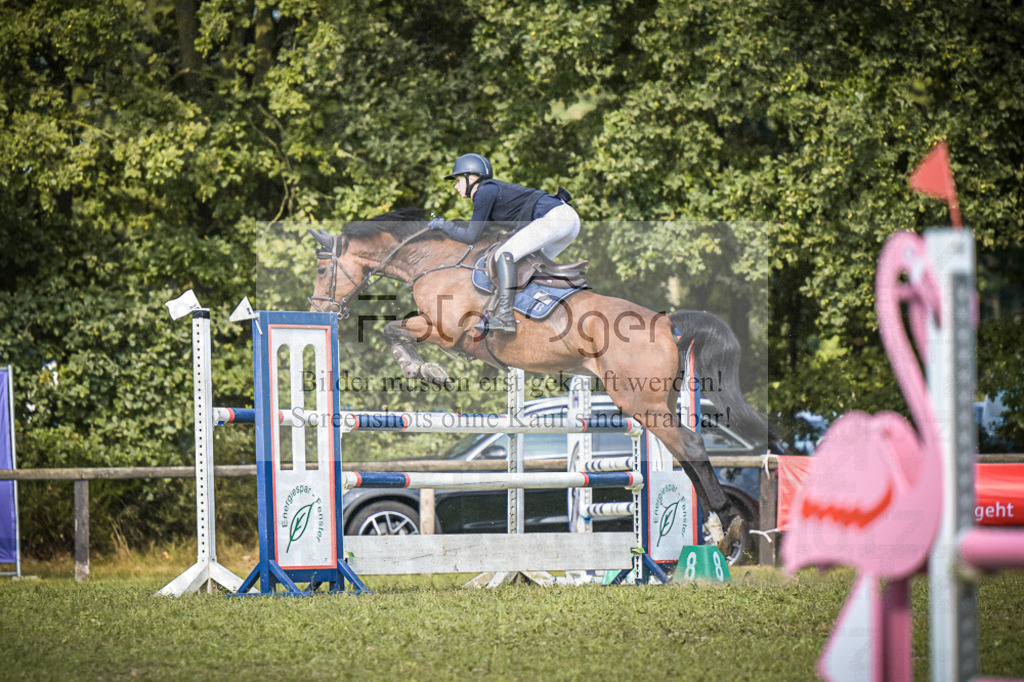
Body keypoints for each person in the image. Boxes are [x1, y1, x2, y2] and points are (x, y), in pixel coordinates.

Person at [428, 153, 580, 335]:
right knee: (528, 264)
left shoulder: (483, 191)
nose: (456, 186)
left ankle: (505, 316)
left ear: (472, 177)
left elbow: (470, 236)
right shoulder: (492, 192)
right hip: (568, 220)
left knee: (504, 255)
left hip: (556, 218)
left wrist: (444, 225)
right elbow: (485, 232)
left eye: (459, 180)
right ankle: (537, 309)